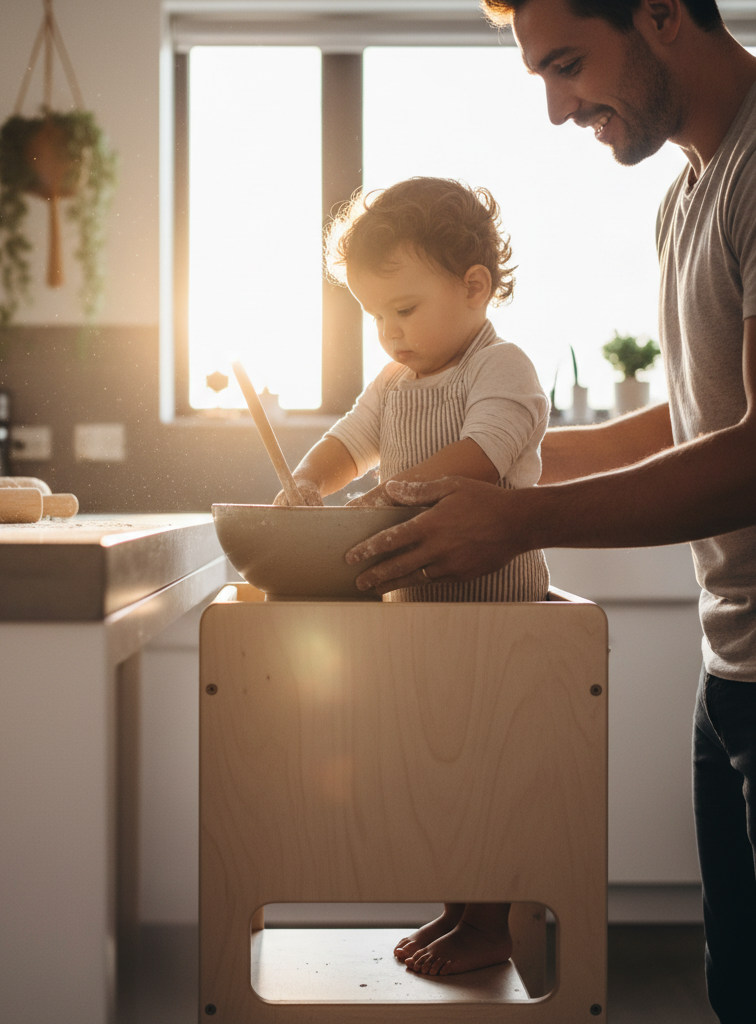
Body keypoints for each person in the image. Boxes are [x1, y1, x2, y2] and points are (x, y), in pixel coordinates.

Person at [343, 1, 756, 1019]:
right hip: (734, 661)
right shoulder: (690, 194)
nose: (556, 107)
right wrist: (498, 463)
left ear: (661, 15)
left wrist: (522, 516)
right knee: (739, 985)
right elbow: (699, 413)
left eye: (568, 65)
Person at [274, 175, 550, 975]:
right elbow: (350, 438)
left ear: (474, 288)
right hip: (422, 613)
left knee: (487, 772)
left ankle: (493, 923)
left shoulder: (503, 368)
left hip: (495, 620)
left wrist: (379, 495)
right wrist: (307, 483)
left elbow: (486, 452)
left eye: (403, 310)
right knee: (441, 772)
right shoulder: (396, 380)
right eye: (372, 316)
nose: (388, 334)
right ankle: (460, 908)